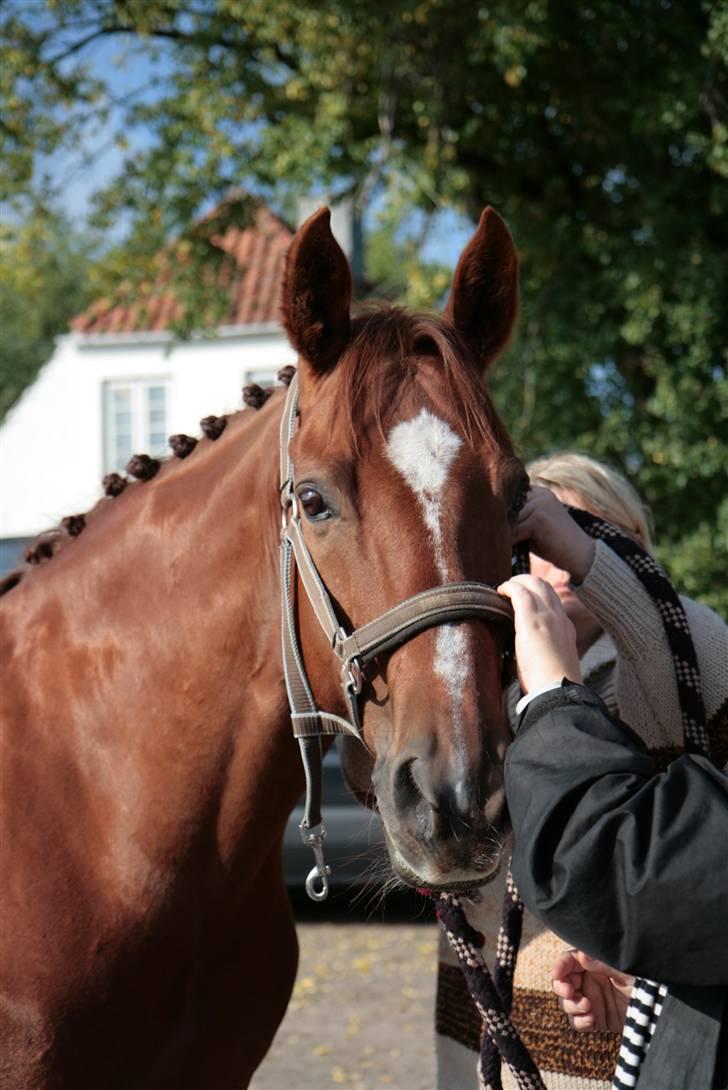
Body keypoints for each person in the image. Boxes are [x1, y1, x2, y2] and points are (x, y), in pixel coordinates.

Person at [434, 452, 728, 1090]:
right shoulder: (485, 682)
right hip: (481, 1022)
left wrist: (598, 567)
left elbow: (694, 660)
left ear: (634, 549)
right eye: (528, 540)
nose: (550, 562)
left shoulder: (663, 665)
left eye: (576, 531)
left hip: (602, 1052)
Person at [498, 573, 728, 1090]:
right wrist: (662, 1000)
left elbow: (606, 860)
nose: (557, 572)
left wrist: (554, 693)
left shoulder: (697, 656)